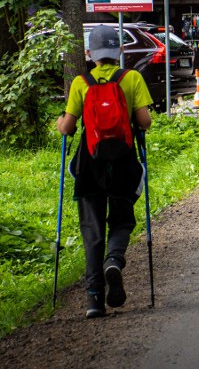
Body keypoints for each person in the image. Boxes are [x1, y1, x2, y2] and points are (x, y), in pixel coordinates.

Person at [55, 25, 153, 319]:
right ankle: (115, 258)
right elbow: (145, 121)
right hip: (123, 160)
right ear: (119, 51)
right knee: (121, 219)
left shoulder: (80, 83)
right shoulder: (131, 78)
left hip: (90, 163)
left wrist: (61, 123)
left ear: (89, 54)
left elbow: (69, 127)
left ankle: (94, 299)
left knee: (92, 230)